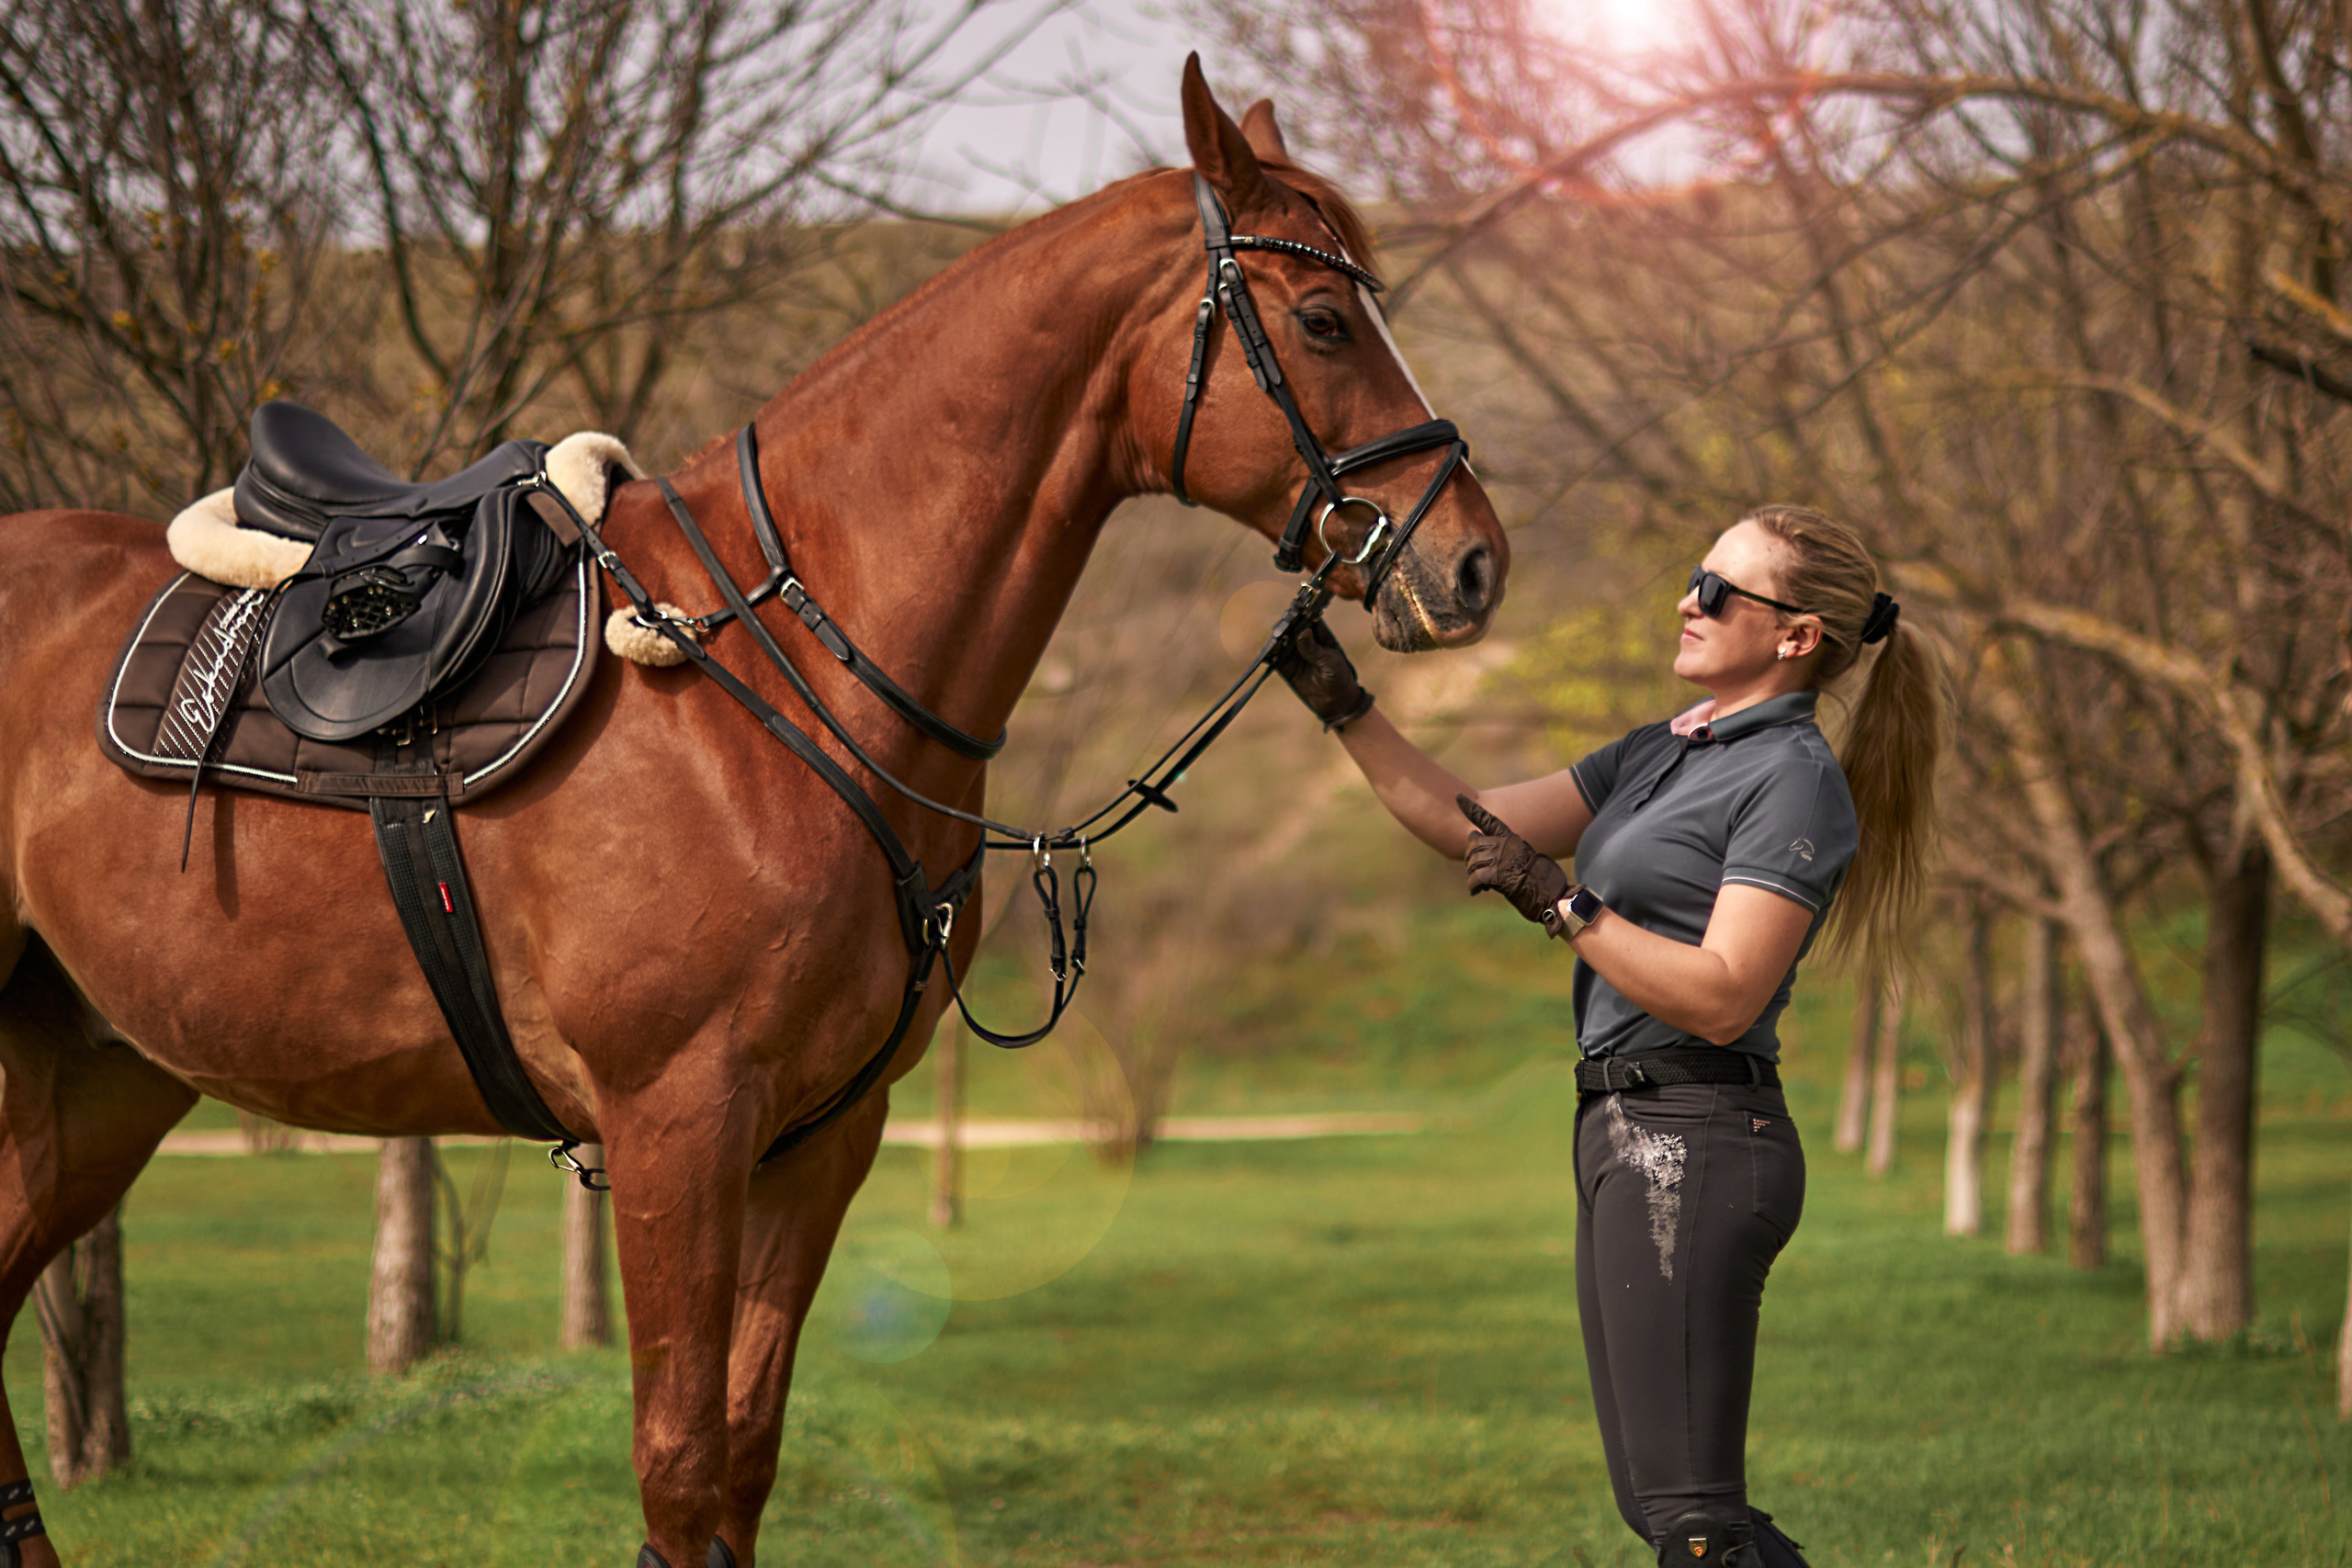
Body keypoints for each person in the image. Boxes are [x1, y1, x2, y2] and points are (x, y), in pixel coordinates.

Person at [1272, 505, 1943, 1567]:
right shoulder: (1661, 751)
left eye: (1718, 589)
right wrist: (1345, 706)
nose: (1687, 598)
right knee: (1662, 1511)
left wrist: (1564, 905)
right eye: (1693, 575)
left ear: (1796, 636)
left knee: (1693, 1522)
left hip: (1699, 1138)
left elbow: (1725, 995)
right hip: (1621, 1134)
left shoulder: (1791, 779)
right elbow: (1475, 821)